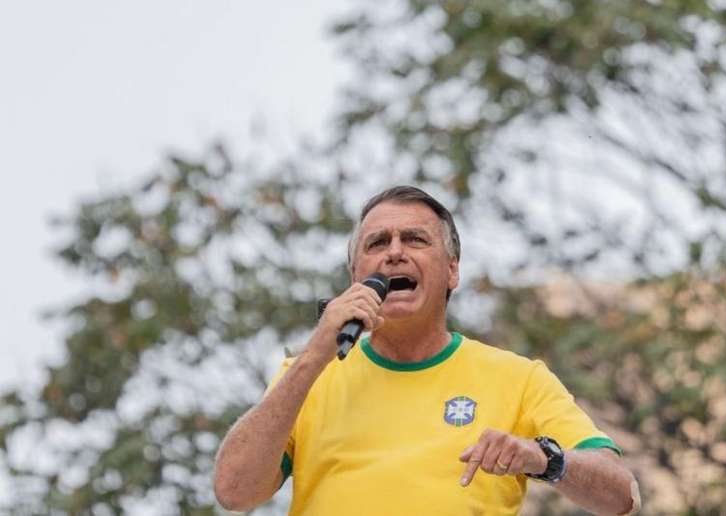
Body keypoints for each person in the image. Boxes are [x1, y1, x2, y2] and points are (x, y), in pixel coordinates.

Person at [213, 186, 641, 515]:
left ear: (452, 270)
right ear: (355, 274)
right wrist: (313, 355)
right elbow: (234, 491)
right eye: (377, 243)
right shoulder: (306, 374)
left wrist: (543, 458)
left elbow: (620, 495)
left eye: (414, 240)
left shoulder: (519, 378)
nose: (394, 253)